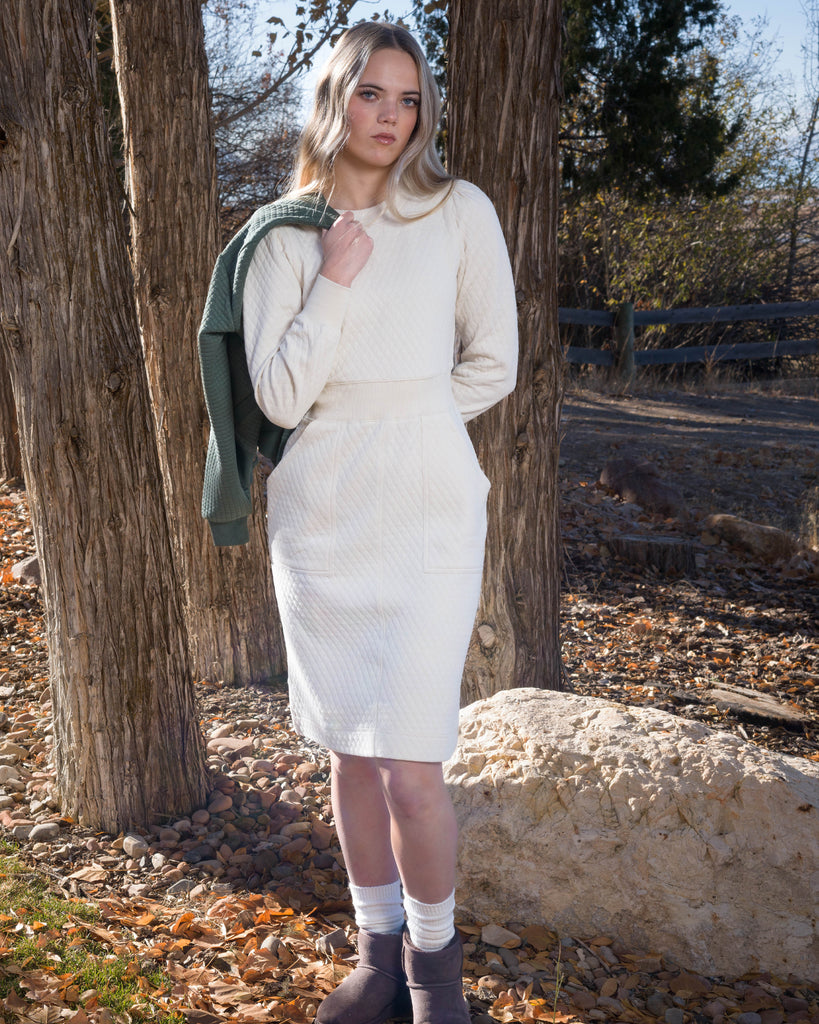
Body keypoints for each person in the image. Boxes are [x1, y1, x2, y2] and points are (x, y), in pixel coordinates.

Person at [241, 21, 518, 1024]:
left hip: (429, 508)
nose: (392, 118)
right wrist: (336, 277)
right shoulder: (282, 234)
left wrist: (415, 419)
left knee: (411, 763)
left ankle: (436, 981)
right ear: (334, 99)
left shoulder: (458, 211)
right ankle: (376, 964)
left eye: (408, 100)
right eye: (372, 95)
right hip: (320, 519)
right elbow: (275, 393)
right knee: (351, 753)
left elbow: (496, 359)